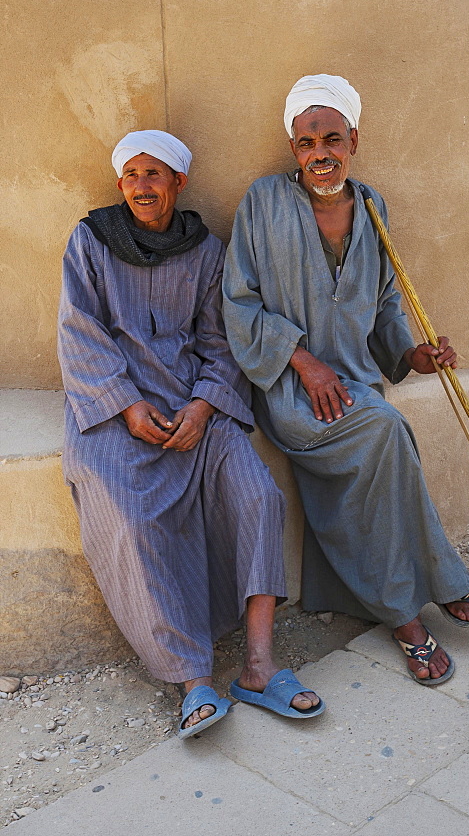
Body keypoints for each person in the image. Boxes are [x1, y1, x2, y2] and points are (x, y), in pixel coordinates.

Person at [222, 75, 469, 686]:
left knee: (380, 429)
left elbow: (385, 305)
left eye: (331, 138)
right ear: (293, 150)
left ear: (353, 139)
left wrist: (415, 354)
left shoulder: (372, 205)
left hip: (354, 385)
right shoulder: (263, 202)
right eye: (305, 143)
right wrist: (302, 359)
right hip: (290, 391)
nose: (319, 152)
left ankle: (410, 586)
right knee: (387, 432)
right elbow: (238, 305)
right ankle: (407, 612)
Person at [57, 129, 323, 734]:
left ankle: (259, 666)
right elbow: (79, 333)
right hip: (114, 416)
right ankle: (193, 679)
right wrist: (126, 406)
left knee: (258, 496)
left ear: (178, 181)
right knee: (131, 517)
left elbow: (220, 340)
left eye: (155, 175)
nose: (141, 187)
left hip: (195, 411)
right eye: (131, 176)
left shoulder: (207, 252)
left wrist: (205, 407)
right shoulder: (90, 242)